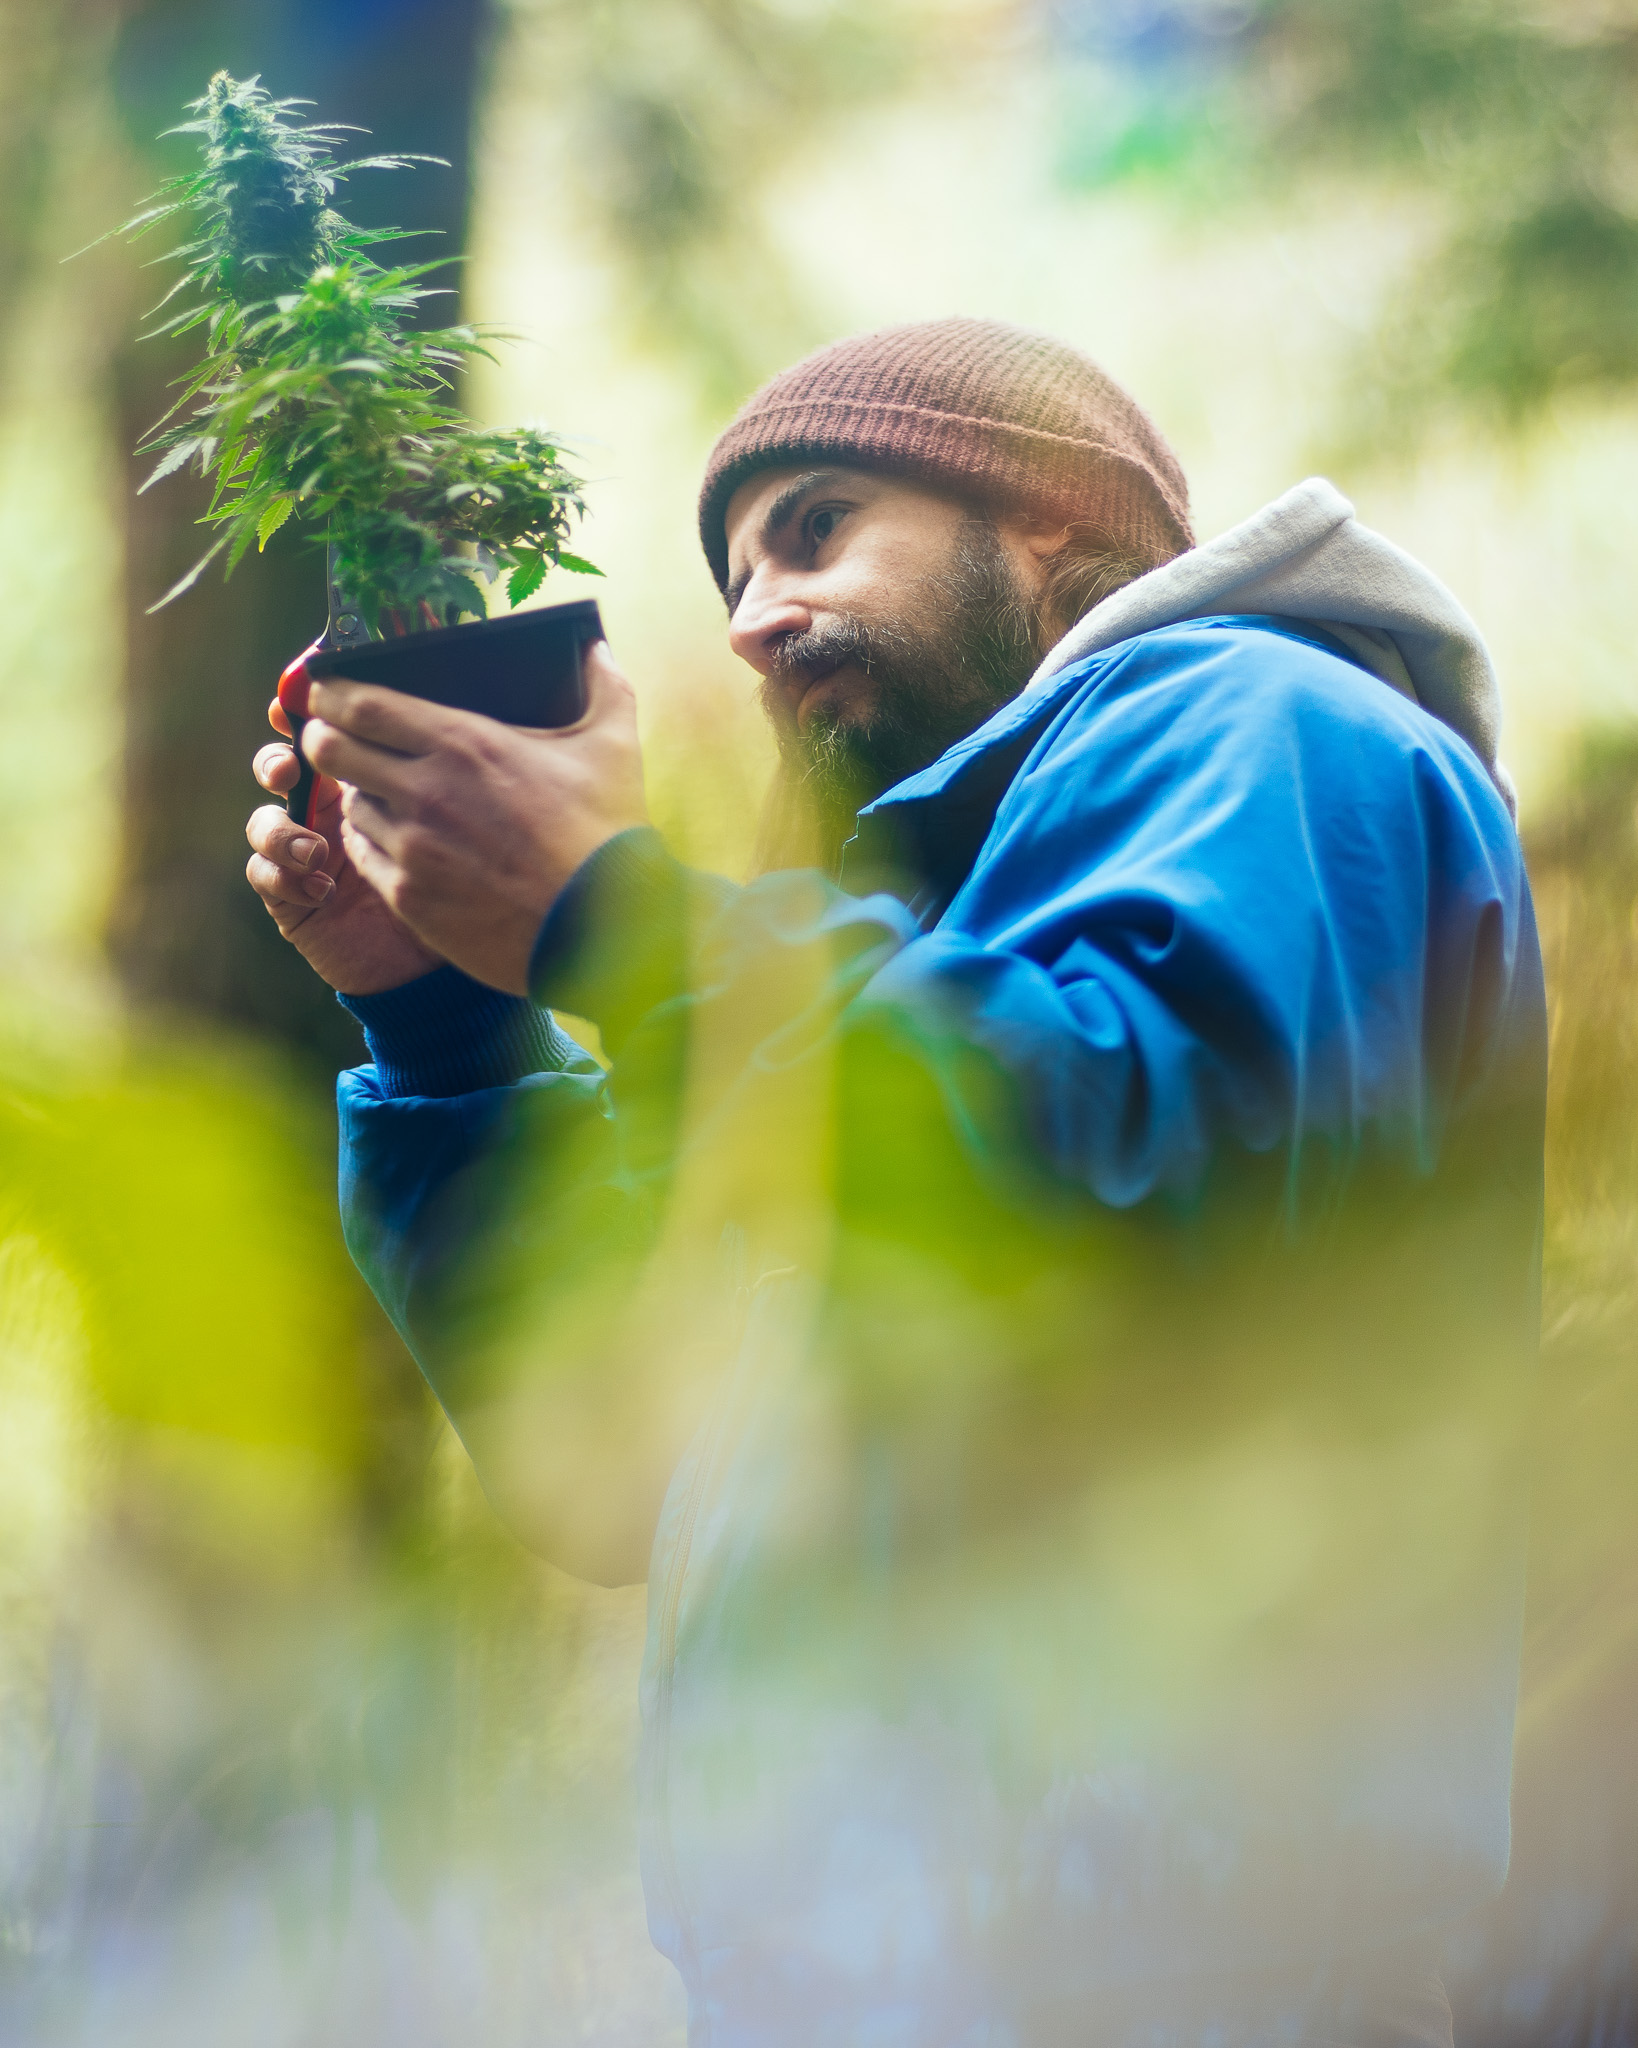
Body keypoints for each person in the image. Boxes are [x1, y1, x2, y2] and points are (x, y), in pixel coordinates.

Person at [245, 320, 1545, 2047]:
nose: (750, 617)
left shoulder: (1257, 714)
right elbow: (616, 1462)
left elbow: (1123, 1175)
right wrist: (436, 1016)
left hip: (1180, 1972)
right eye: (731, 572)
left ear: (1052, 523)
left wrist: (619, 922)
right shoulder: (865, 971)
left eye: (819, 525)